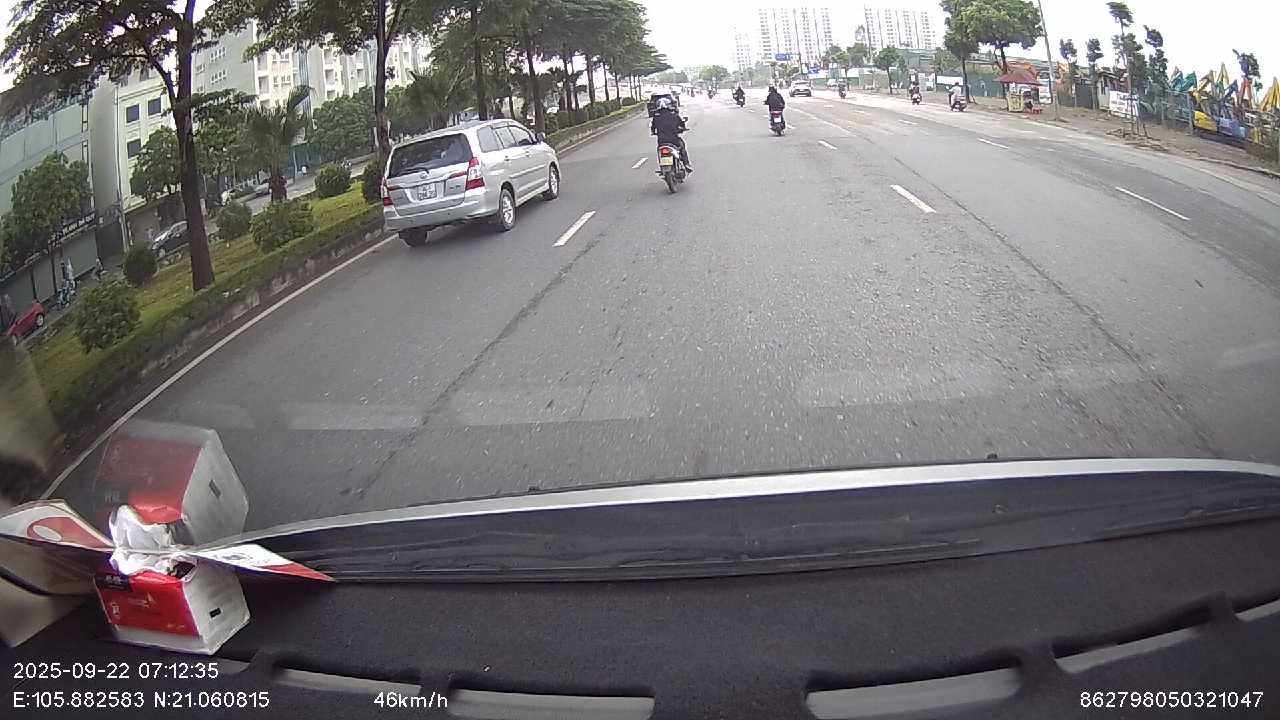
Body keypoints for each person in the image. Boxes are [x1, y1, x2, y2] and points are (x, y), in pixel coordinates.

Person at [650, 97, 691, 171]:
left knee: (659, 151)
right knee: (682, 146)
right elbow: (681, 124)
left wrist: (654, 132)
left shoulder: (656, 117)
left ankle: (662, 167)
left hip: (662, 141)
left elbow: (653, 128)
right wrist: (682, 128)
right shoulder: (674, 115)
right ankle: (686, 164)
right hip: (674, 140)